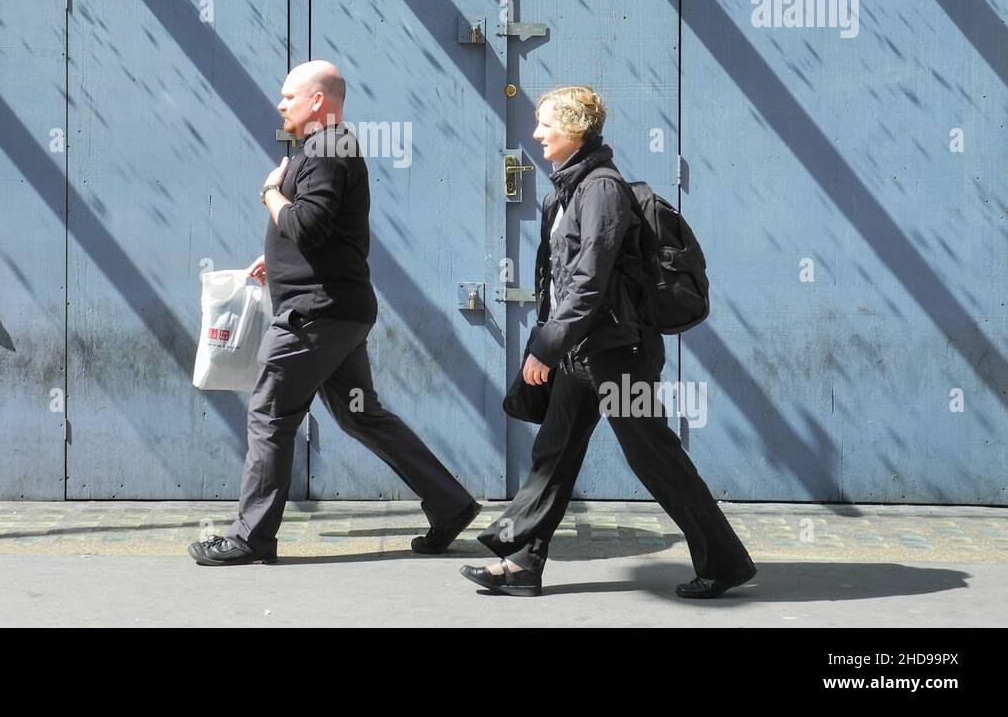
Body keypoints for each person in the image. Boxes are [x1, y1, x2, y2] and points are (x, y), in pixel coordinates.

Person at [460, 86, 756, 598]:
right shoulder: (566, 191)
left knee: (654, 458)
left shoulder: (600, 189)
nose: (536, 133)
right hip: (584, 353)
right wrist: (555, 346)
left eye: (544, 123)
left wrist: (545, 346)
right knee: (553, 453)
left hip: (620, 356)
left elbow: (589, 282)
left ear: (573, 129)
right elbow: (563, 282)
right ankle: (522, 563)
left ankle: (725, 560)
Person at [189, 60, 480, 566]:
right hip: (338, 311)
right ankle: (451, 503)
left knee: (270, 415)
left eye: (288, 96)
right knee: (360, 414)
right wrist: (276, 253)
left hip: (313, 315)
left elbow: (309, 225)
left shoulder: (325, 147)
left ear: (317, 101)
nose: (280, 105)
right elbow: (317, 229)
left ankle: (250, 537)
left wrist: (269, 194)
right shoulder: (326, 148)